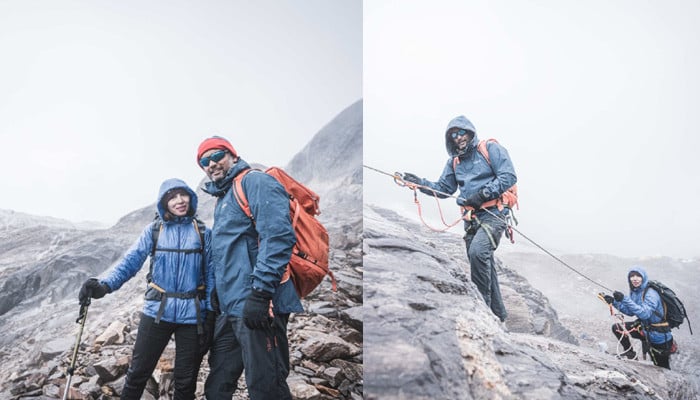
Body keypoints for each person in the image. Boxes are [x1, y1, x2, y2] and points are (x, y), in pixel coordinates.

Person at [78, 178, 215, 399]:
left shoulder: (203, 232)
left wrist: (209, 314)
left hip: (192, 316)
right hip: (156, 312)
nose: (179, 201)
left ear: (191, 197)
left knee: (186, 381)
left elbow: (210, 275)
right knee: (138, 374)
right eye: (172, 197)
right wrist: (105, 285)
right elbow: (130, 262)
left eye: (183, 195)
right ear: (164, 202)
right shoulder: (154, 230)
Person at [196, 136, 302, 400]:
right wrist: (219, 290)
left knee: (266, 385)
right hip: (232, 307)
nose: (211, 164)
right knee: (218, 383)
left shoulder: (254, 182)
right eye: (204, 162)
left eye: (216, 155)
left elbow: (278, 237)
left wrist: (261, 292)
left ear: (232, 154)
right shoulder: (224, 197)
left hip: (259, 303)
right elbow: (232, 251)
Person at [402, 115, 517, 322]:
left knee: (478, 252)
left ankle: (481, 312)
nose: (458, 138)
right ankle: (498, 316)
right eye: (453, 135)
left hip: (495, 212)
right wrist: (419, 183)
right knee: (482, 260)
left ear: (470, 132)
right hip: (471, 218)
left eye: (462, 132)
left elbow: (508, 176)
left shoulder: (490, 149)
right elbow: (444, 189)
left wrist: (482, 194)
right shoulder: (454, 162)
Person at [603, 266, 674, 369]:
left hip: (659, 336)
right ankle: (630, 354)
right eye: (632, 276)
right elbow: (631, 312)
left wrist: (625, 299)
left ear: (643, 278)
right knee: (617, 328)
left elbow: (645, 314)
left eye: (638, 276)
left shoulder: (651, 294)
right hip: (645, 329)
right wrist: (614, 302)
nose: (635, 278)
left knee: (662, 367)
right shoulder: (636, 292)